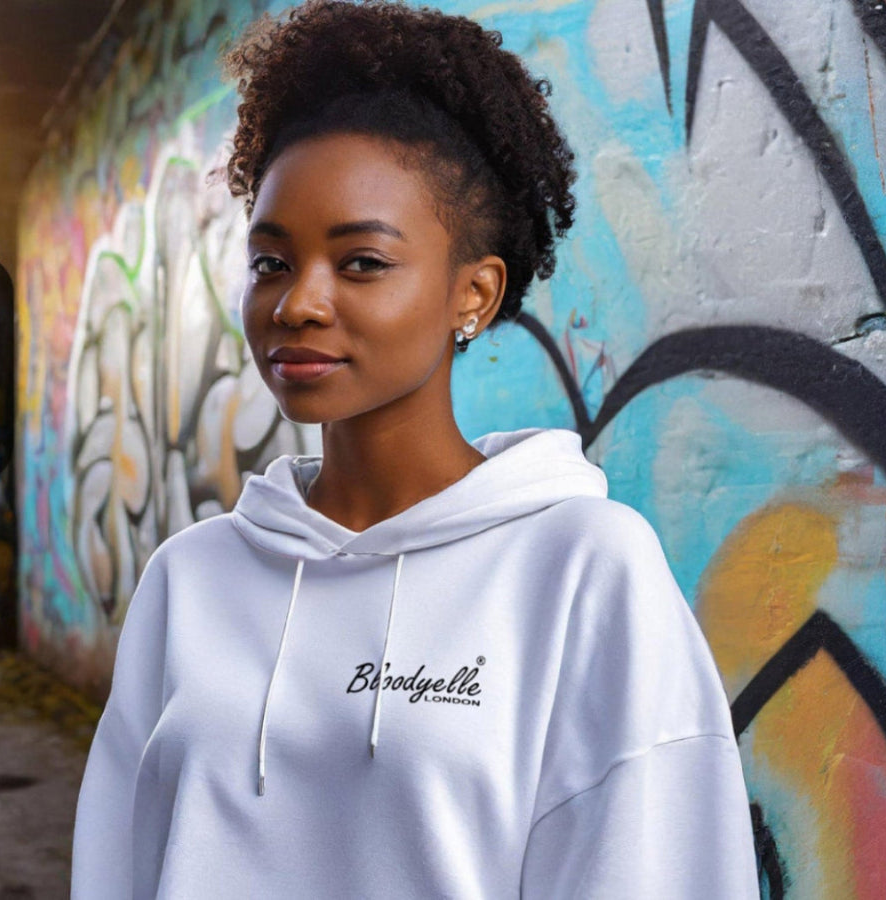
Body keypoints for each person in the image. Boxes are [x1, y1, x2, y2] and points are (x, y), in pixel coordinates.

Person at [70, 0, 759, 896]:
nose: (298, 303)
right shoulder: (190, 579)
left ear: (472, 294)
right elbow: (119, 867)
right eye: (272, 262)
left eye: (361, 263)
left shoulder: (584, 570)